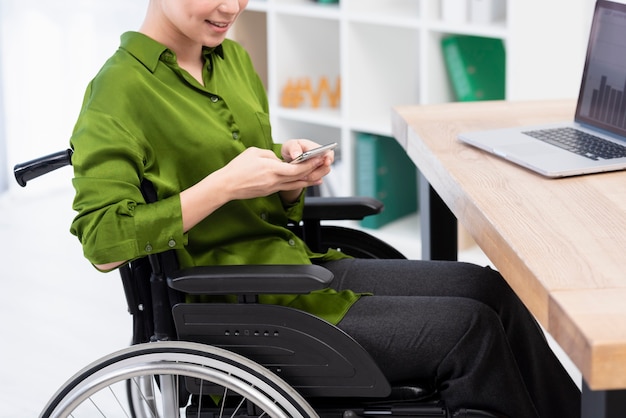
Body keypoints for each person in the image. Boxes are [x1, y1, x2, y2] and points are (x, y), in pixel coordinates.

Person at [68, 0, 581, 416]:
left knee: (488, 287)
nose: (232, 7)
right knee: (470, 331)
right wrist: (223, 184)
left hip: (295, 268)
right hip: (238, 306)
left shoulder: (231, 61)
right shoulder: (117, 92)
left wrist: (289, 178)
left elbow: (267, 211)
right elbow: (103, 243)